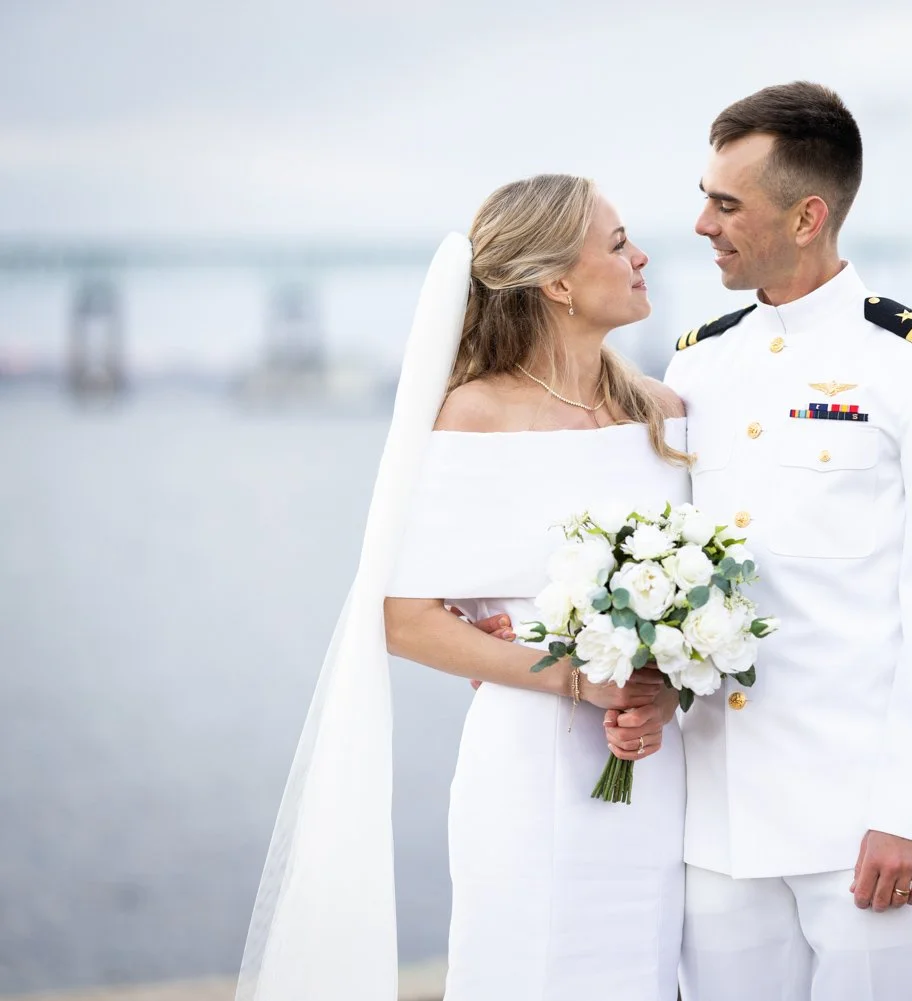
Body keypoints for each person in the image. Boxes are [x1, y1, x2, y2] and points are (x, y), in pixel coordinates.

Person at [237, 174, 689, 1001]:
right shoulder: (473, 416)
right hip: (528, 763)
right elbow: (404, 620)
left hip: (657, 765)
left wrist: (656, 689)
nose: (642, 255)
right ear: (556, 281)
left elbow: (694, 593)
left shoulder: (663, 412)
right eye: (619, 242)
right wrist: (576, 678)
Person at [665, 82, 912, 1001]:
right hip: (718, 822)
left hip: (859, 825)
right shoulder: (697, 362)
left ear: (808, 215)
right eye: (705, 196)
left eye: (727, 204)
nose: (701, 223)